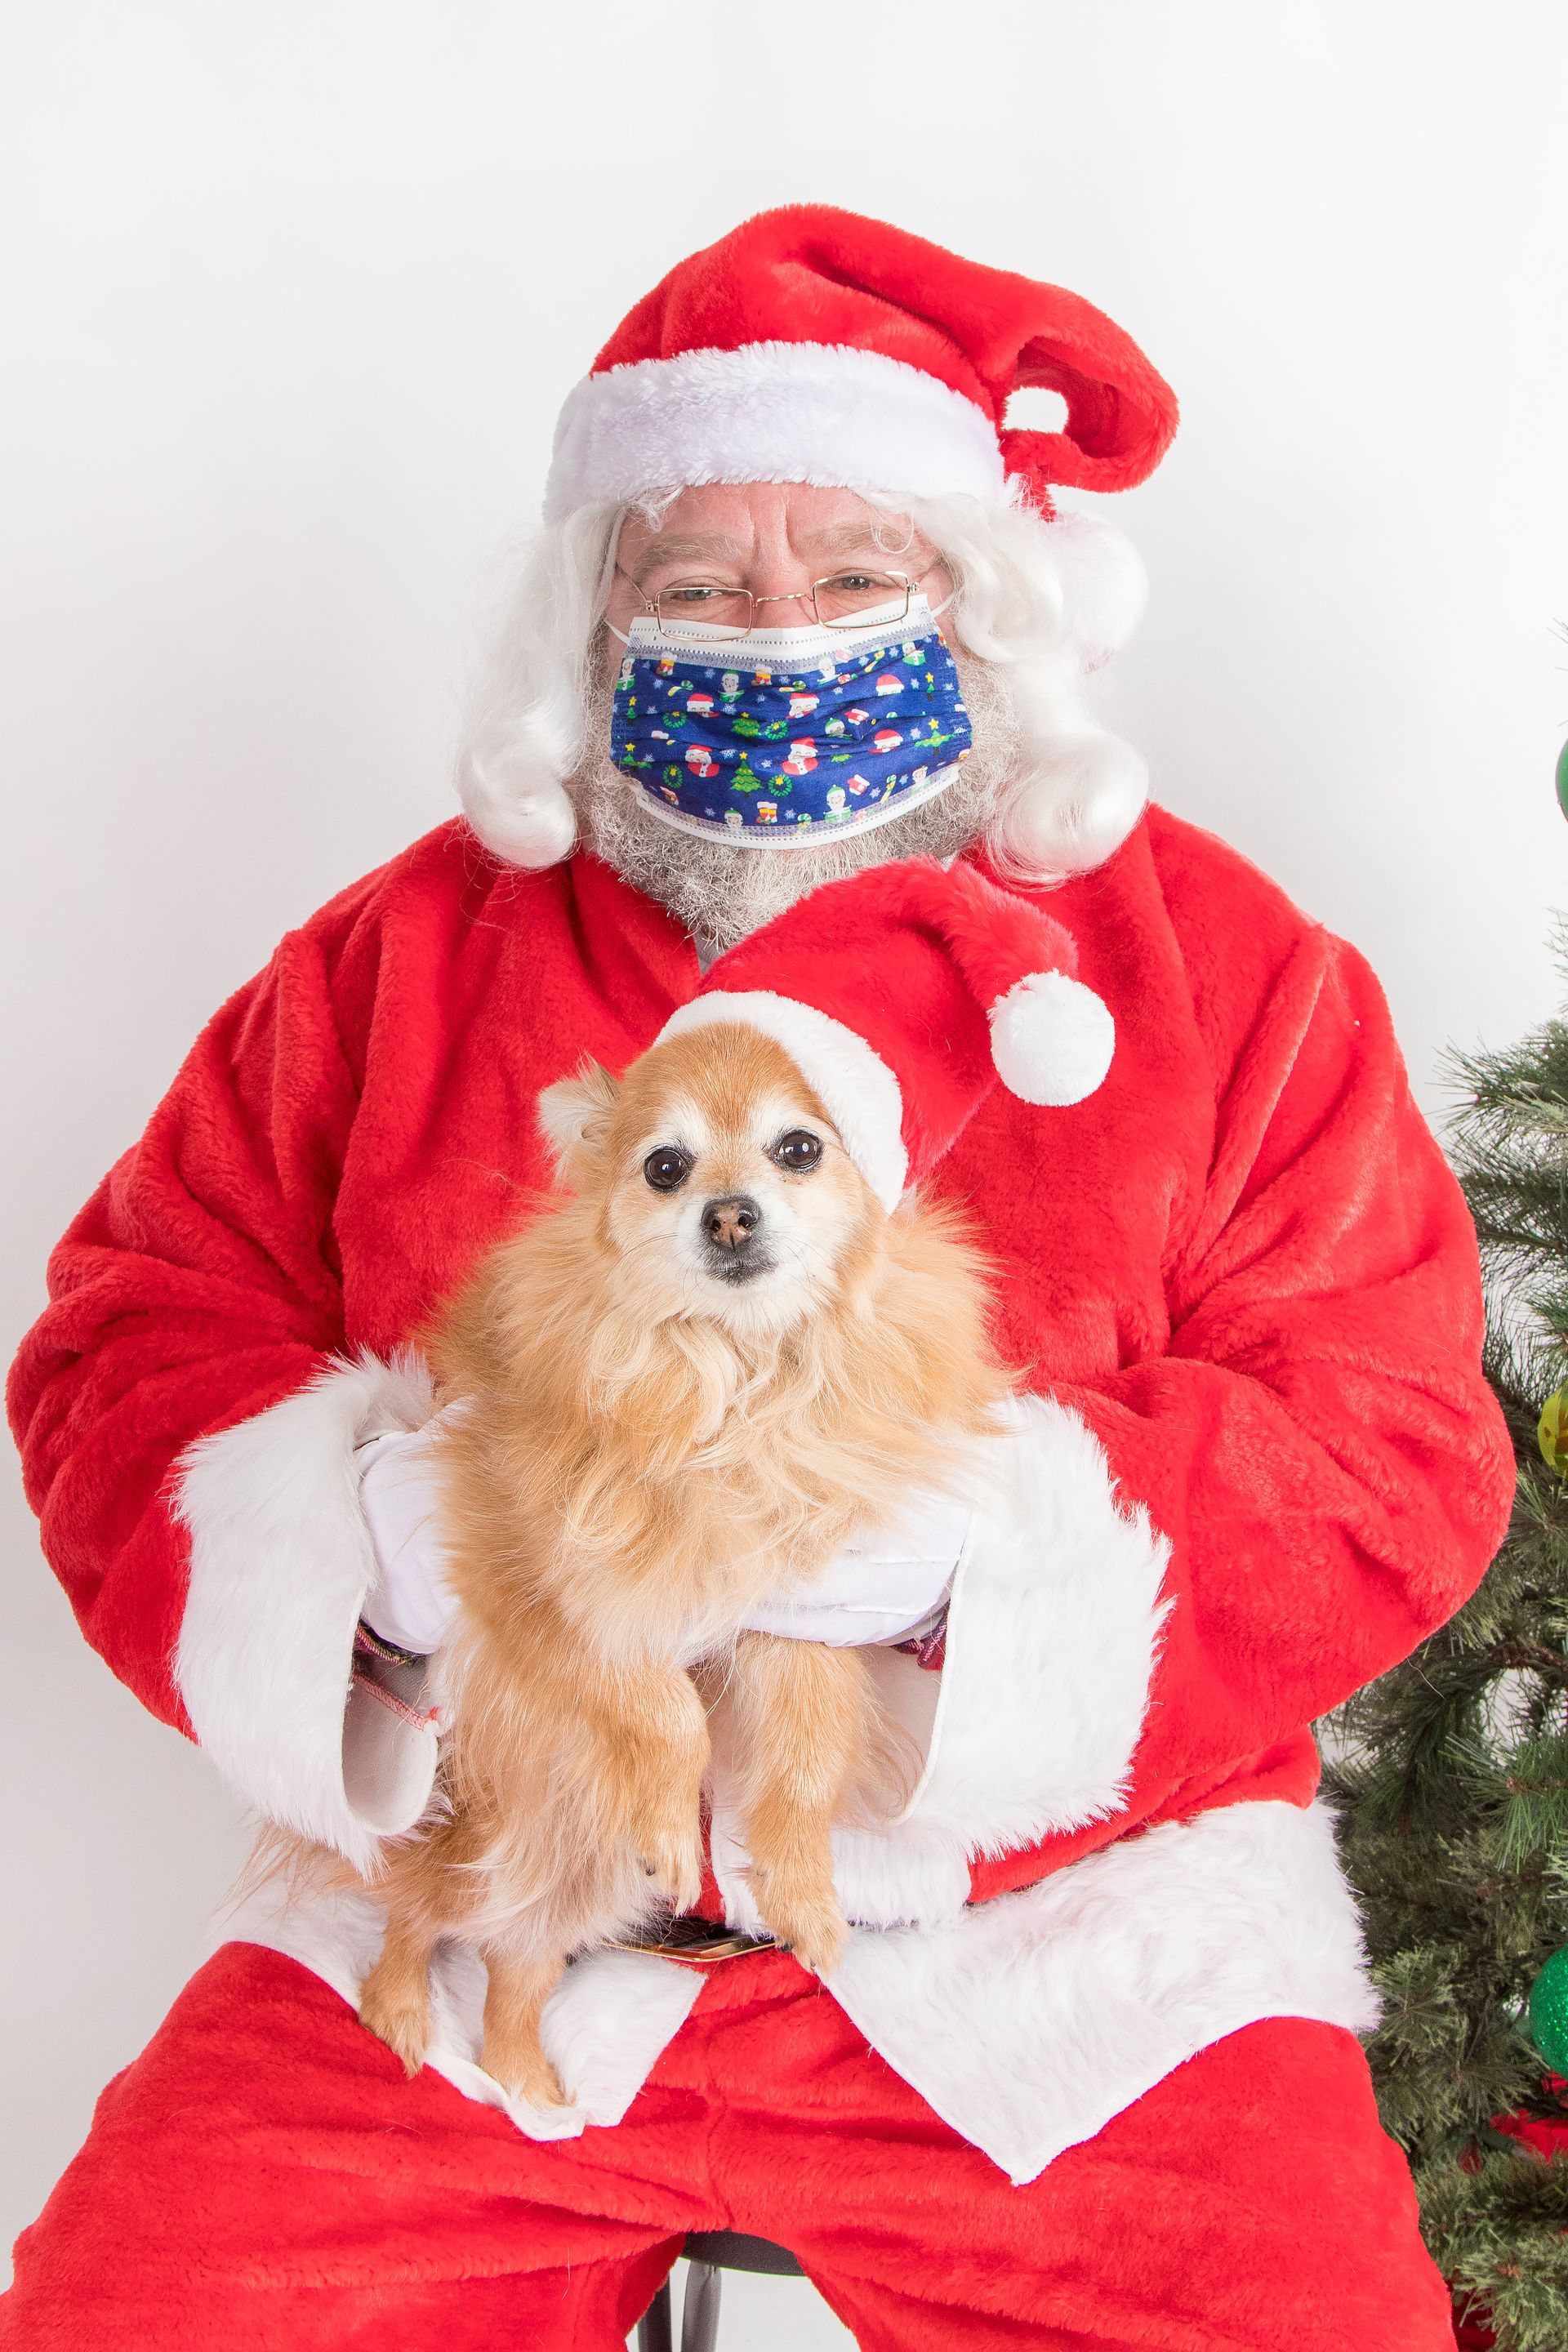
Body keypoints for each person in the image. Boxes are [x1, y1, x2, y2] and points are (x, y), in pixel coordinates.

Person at [2, 205, 1515, 2350]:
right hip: (472, 1921)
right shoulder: (399, 964)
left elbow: (1393, 1440)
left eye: (854, 579)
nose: (772, 638)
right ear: (596, 628)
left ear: (982, 606)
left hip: (1061, 1956)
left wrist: (959, 1556)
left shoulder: (1235, 979)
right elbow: (122, 1346)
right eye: (693, 586)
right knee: (140, 2308)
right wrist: (371, 1544)